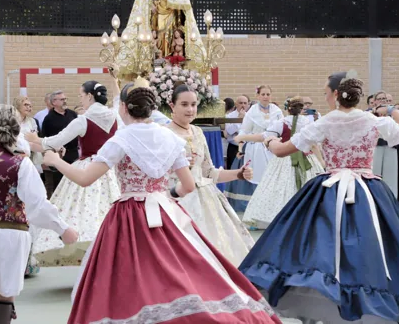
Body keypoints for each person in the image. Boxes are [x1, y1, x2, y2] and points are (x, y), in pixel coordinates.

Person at [42, 78, 280, 324]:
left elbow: (84, 178)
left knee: (127, 279)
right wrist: (168, 196)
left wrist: (56, 161)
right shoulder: (170, 139)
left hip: (129, 215)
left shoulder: (120, 139)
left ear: (123, 108)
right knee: (177, 272)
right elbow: (188, 185)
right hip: (165, 211)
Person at [238, 71, 399, 324]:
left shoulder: (324, 122)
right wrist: (393, 110)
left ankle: (326, 298)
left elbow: (281, 150)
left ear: (336, 95)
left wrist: (268, 140)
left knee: (319, 246)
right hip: (368, 191)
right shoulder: (372, 120)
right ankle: (368, 299)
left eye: (326, 93)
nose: (325, 98)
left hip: (329, 190)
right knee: (373, 248)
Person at [0, 105, 78, 324]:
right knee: (5, 293)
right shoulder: (20, 162)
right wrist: (62, 228)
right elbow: (37, 204)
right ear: (16, 128)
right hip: (13, 233)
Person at [26, 81, 119, 267]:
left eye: (81, 96)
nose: (80, 100)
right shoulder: (115, 116)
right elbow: (118, 100)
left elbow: (56, 140)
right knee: (106, 211)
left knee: (82, 210)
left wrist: (35, 140)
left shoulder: (83, 120)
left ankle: (88, 254)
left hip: (88, 167)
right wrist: (115, 81)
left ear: (90, 96)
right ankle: (110, 253)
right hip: (111, 169)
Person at [165, 84, 255, 264]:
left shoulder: (198, 132)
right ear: (171, 106)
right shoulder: (163, 133)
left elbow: (209, 172)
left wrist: (238, 174)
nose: (190, 109)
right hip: (174, 198)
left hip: (205, 197)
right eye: (184, 104)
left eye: (193, 104)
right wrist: (173, 166)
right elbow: (153, 172)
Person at [242, 96, 324, 228]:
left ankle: (272, 216)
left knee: (277, 186)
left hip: (285, 156)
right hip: (306, 157)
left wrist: (269, 143)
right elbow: (314, 144)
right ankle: (305, 216)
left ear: (288, 109)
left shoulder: (282, 122)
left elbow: (267, 136)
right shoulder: (308, 123)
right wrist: (321, 161)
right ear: (302, 109)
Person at [232, 85, 283, 204]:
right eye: (263, 94)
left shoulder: (277, 111)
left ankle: (272, 202)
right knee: (256, 175)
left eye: (268, 94)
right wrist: (240, 147)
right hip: (255, 148)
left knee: (273, 176)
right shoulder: (252, 111)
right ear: (258, 96)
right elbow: (244, 130)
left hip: (272, 146)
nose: (265, 97)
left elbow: (282, 128)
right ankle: (254, 203)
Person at [40, 90, 79, 197]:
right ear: (54, 102)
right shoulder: (49, 119)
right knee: (60, 187)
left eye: (65, 99)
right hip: (59, 157)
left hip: (74, 155)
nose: (65, 101)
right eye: (62, 99)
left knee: (74, 185)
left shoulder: (72, 114)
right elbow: (45, 139)